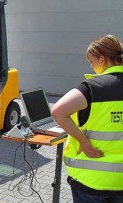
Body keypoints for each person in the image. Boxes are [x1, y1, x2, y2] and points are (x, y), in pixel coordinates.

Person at [51, 35, 123, 203]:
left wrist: (83, 141)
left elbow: (58, 111)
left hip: (92, 182)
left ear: (102, 59)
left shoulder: (93, 88)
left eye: (91, 62)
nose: (91, 66)